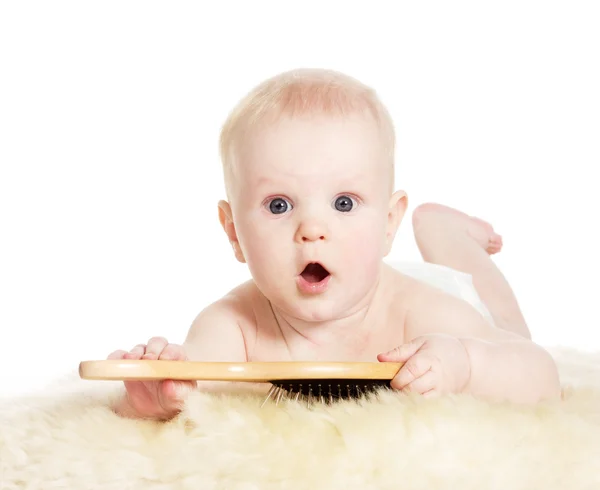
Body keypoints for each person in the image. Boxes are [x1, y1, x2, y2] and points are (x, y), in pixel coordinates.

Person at [108, 68, 561, 421]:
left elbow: (543, 377)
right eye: (279, 205)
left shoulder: (423, 312)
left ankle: (444, 233)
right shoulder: (233, 324)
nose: (312, 229)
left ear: (387, 223)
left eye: (344, 203)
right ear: (234, 233)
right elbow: (195, 381)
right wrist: (157, 394)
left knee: (507, 323)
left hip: (447, 294)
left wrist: (467, 364)